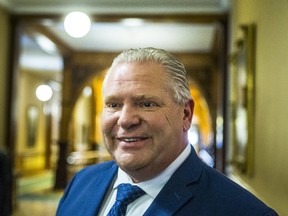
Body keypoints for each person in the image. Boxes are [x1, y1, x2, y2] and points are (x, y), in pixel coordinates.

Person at [56, 47, 278, 216]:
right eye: (113, 104)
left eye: (147, 104)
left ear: (185, 114)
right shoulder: (82, 182)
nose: (125, 120)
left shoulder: (241, 210)